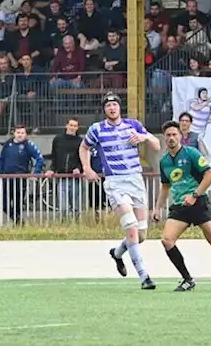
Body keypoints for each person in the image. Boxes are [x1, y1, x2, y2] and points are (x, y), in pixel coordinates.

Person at [153, 121, 211, 292]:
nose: (172, 138)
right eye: (168, 135)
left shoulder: (191, 153)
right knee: (167, 240)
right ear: (164, 138)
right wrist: (157, 208)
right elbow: (165, 186)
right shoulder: (164, 161)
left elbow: (209, 175)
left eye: (174, 134)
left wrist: (195, 195)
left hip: (198, 203)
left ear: (180, 135)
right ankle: (187, 280)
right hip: (180, 206)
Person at [81, 92, 160, 290]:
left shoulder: (133, 125)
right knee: (131, 226)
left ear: (119, 107)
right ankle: (144, 277)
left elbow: (157, 145)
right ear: (104, 110)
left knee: (141, 235)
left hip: (135, 180)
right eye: (108, 106)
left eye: (115, 105)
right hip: (115, 182)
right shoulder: (97, 129)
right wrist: (87, 168)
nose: (112, 108)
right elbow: (84, 148)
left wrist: (143, 137)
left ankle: (117, 253)